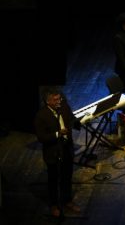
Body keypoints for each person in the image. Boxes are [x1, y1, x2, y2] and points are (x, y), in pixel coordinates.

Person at [34, 87, 81, 218]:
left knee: (67, 176)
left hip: (66, 148)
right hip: (53, 153)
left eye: (59, 98)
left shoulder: (64, 107)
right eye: (55, 100)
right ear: (48, 102)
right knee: (53, 180)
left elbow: (71, 118)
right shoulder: (41, 115)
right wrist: (57, 134)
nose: (59, 101)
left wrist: (79, 121)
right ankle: (54, 205)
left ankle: (67, 200)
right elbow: (41, 137)